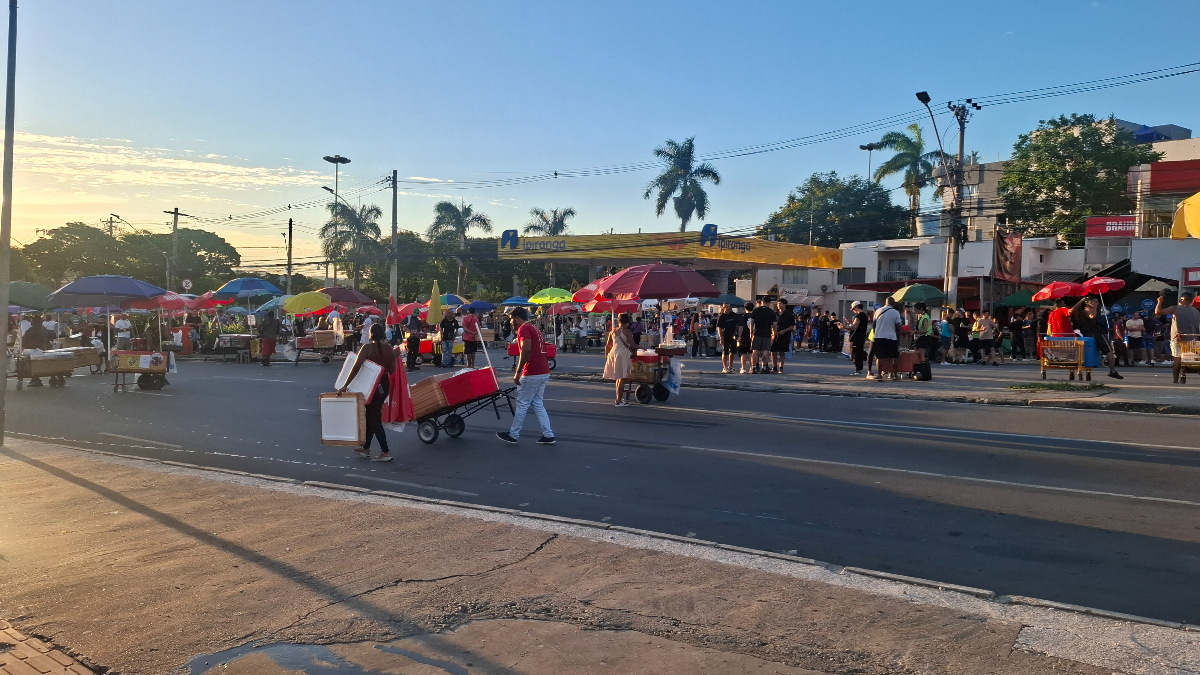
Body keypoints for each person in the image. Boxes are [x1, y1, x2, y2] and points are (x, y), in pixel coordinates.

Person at [338, 323, 396, 461]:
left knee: (374, 418)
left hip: (370, 386)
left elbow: (356, 367)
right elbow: (392, 371)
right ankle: (366, 449)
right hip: (384, 385)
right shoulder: (389, 350)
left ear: (370, 335)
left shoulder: (367, 348)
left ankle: (385, 451)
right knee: (372, 415)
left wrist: (346, 384)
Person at [496, 307, 554, 445]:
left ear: (517, 318)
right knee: (538, 404)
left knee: (522, 404)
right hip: (544, 371)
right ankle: (548, 434)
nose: (510, 323)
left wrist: (517, 372)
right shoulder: (534, 328)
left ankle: (513, 434)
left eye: (511, 320)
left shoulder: (523, 329)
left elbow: (526, 349)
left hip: (532, 372)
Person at [1071, 296, 1123, 380]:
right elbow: (1092, 316)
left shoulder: (1082, 312)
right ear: (1090, 303)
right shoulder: (1088, 310)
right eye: (1095, 302)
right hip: (1095, 333)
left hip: (1088, 333)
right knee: (1108, 351)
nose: (1097, 304)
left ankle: (1084, 371)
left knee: (1089, 352)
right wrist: (1094, 308)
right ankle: (1112, 371)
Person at [1154, 290, 1200, 384]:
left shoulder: (1176, 308)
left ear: (1182, 299)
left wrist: (1159, 301)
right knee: (1194, 359)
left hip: (1178, 338)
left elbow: (1158, 312)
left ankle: (1175, 380)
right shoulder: (1196, 311)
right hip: (1192, 338)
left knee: (1177, 358)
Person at [604, 313, 637, 406]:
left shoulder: (613, 331)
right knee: (622, 378)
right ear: (627, 322)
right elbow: (633, 345)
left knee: (618, 378)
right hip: (622, 355)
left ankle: (618, 398)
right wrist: (641, 347)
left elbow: (607, 346)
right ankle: (618, 401)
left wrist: (606, 356)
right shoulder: (627, 331)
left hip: (613, 354)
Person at [868, 297, 902, 380]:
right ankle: (895, 375)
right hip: (891, 337)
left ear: (885, 302)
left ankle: (880, 375)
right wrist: (898, 338)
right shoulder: (895, 312)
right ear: (893, 303)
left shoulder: (878, 311)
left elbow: (874, 325)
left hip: (879, 337)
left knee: (880, 357)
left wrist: (877, 333)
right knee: (895, 356)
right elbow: (898, 326)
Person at [21, 316, 56, 387]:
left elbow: (24, 343)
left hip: (35, 352)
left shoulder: (30, 331)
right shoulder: (45, 330)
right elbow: (53, 335)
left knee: (27, 360)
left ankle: (35, 379)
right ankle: (49, 377)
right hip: (46, 350)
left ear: (33, 322)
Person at [748, 299, 777, 374]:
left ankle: (753, 368)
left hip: (757, 332)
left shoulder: (755, 310)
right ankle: (764, 368)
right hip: (767, 332)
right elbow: (774, 324)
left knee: (755, 350)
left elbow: (752, 322)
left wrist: (751, 332)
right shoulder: (771, 312)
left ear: (761, 303)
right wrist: (774, 333)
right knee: (766, 351)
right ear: (769, 303)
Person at [771, 299, 795, 374]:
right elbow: (771, 324)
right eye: (778, 304)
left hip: (784, 335)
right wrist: (773, 332)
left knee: (782, 352)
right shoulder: (774, 314)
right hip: (774, 335)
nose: (778, 305)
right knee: (773, 352)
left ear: (784, 305)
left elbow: (792, 326)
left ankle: (781, 368)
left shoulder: (789, 314)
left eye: (780, 303)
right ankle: (774, 367)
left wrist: (784, 331)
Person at [847, 301, 870, 375]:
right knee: (859, 352)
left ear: (856, 307)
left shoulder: (858, 317)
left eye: (853, 309)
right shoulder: (864, 316)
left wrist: (844, 327)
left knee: (856, 353)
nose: (853, 311)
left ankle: (858, 369)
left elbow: (854, 327)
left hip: (856, 337)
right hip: (862, 337)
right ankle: (859, 368)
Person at [716, 303, 739, 374]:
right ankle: (725, 367)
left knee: (733, 351)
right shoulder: (722, 316)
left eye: (729, 307)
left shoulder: (734, 315)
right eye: (726, 307)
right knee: (725, 351)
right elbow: (719, 328)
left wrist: (737, 334)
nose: (728, 308)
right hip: (725, 335)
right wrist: (721, 338)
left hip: (733, 336)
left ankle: (731, 366)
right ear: (723, 308)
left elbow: (738, 325)